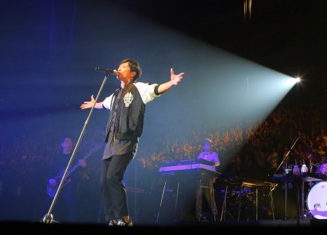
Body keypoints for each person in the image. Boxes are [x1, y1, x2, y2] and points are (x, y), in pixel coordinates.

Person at [80, 58, 184, 227]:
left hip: (126, 141)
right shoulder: (115, 94)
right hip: (111, 142)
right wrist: (94, 104)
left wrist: (171, 83)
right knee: (104, 182)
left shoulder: (139, 88)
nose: (118, 69)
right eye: (118, 67)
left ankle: (125, 219)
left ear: (132, 73)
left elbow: (156, 89)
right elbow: (104, 105)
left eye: (123, 67)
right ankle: (113, 219)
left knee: (113, 177)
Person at [42, 137, 87, 223]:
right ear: (62, 144)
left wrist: (84, 166)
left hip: (69, 185)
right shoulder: (56, 158)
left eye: (71, 142)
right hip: (56, 186)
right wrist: (51, 179)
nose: (70, 144)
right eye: (67, 142)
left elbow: (83, 170)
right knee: (47, 204)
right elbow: (49, 171)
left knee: (70, 202)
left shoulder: (76, 156)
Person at [195, 137, 220, 222]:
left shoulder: (214, 154)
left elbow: (217, 163)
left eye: (209, 144)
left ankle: (215, 215)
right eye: (206, 144)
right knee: (198, 196)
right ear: (203, 146)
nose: (208, 146)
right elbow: (197, 163)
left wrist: (212, 162)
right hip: (200, 177)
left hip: (209, 177)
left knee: (209, 196)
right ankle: (198, 216)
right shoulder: (201, 154)